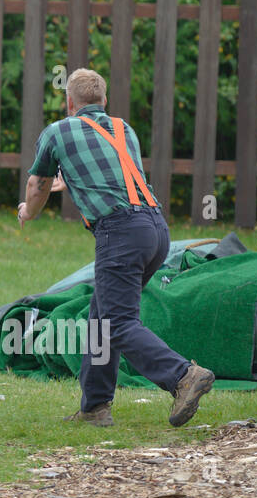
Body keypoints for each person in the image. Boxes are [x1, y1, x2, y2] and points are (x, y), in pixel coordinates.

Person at [17, 68, 215, 428]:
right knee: (100, 317)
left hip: (120, 234)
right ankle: (95, 407)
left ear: (69, 103)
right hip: (155, 230)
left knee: (118, 322)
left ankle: (183, 375)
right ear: (104, 101)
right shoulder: (124, 130)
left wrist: (28, 211)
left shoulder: (58, 131)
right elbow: (111, 179)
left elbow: (36, 185)